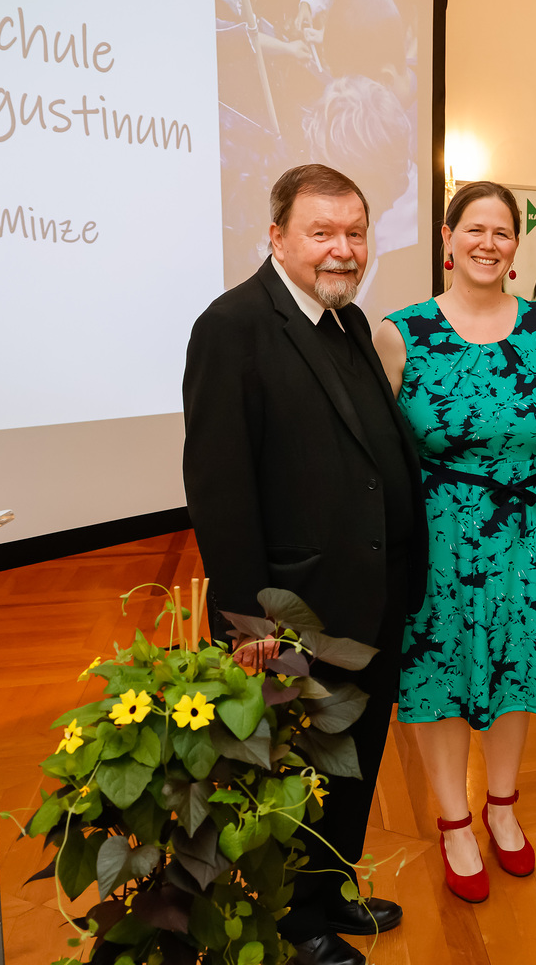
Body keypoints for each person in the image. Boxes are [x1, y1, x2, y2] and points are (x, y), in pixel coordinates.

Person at [183, 164, 426, 965]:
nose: (343, 248)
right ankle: (293, 923)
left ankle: (330, 887)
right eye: (322, 232)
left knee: (352, 765)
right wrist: (248, 621)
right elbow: (219, 488)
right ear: (277, 236)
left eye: (355, 232)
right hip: (296, 610)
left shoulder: (346, 320)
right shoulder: (234, 326)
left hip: (371, 597)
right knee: (296, 771)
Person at [372, 181, 536, 906]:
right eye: (475, 229)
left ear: (517, 244)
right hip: (440, 535)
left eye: (503, 232)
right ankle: (454, 820)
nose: (489, 243)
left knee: (515, 669)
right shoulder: (401, 333)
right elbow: (375, 450)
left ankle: (504, 807)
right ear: (448, 238)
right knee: (442, 673)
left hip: (528, 530)